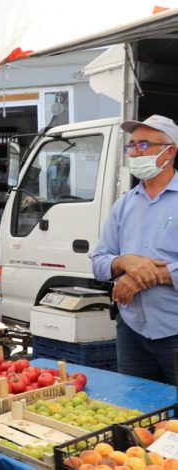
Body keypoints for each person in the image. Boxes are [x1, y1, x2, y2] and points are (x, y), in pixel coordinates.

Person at [92, 114, 178, 385]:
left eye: (143, 145)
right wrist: (126, 262)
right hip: (131, 331)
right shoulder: (125, 204)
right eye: (131, 146)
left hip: (173, 331)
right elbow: (98, 261)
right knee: (137, 410)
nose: (135, 152)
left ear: (169, 151)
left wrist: (149, 275)